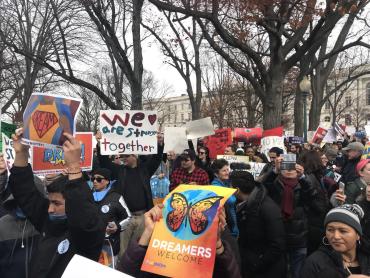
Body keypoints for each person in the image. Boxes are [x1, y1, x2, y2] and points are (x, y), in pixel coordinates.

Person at [9, 129, 105, 278]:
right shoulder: (47, 221)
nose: (49, 209)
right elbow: (25, 193)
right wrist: (21, 153)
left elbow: (83, 216)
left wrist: (74, 165)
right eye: (49, 202)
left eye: (56, 203)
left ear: (73, 204)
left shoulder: (88, 234)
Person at [117, 204, 242, 278]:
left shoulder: (221, 238)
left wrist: (218, 246)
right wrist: (148, 232)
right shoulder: (161, 238)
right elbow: (124, 272)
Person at [95, 131, 164, 256]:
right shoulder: (120, 171)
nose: (122, 159)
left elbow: (157, 159)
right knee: (124, 251)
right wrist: (99, 143)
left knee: (141, 249)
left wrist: (159, 143)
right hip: (126, 218)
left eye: (125, 156)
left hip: (144, 216)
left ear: (134, 155)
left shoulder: (145, 169)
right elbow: (104, 162)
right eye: (121, 156)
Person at [263, 156, 327, 278]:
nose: (289, 170)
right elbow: (262, 186)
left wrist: (303, 177)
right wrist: (274, 171)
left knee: (298, 272)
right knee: (279, 271)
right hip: (277, 235)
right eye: (285, 166)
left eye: (292, 167)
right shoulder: (274, 184)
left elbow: (314, 197)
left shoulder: (304, 184)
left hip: (299, 236)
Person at [231, 170, 286, 278]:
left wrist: (257, 264)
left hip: (266, 270)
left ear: (237, 190)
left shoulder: (266, 208)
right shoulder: (244, 205)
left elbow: (278, 245)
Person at [301, 204, 370, 277]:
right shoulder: (315, 263)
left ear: (357, 235)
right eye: (330, 230)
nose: (336, 236)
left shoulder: (367, 257)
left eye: (343, 231)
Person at [91, 168, 131, 256]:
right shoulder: (87, 197)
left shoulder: (116, 197)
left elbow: (128, 217)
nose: (95, 181)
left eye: (99, 179)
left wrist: (117, 226)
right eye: (93, 179)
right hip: (90, 244)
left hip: (109, 244)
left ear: (107, 181)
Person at [211, 159, 238, 237]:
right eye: (224, 171)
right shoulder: (215, 186)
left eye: (227, 169)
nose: (227, 172)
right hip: (226, 224)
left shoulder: (226, 182)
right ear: (216, 174)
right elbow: (231, 200)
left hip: (232, 221)